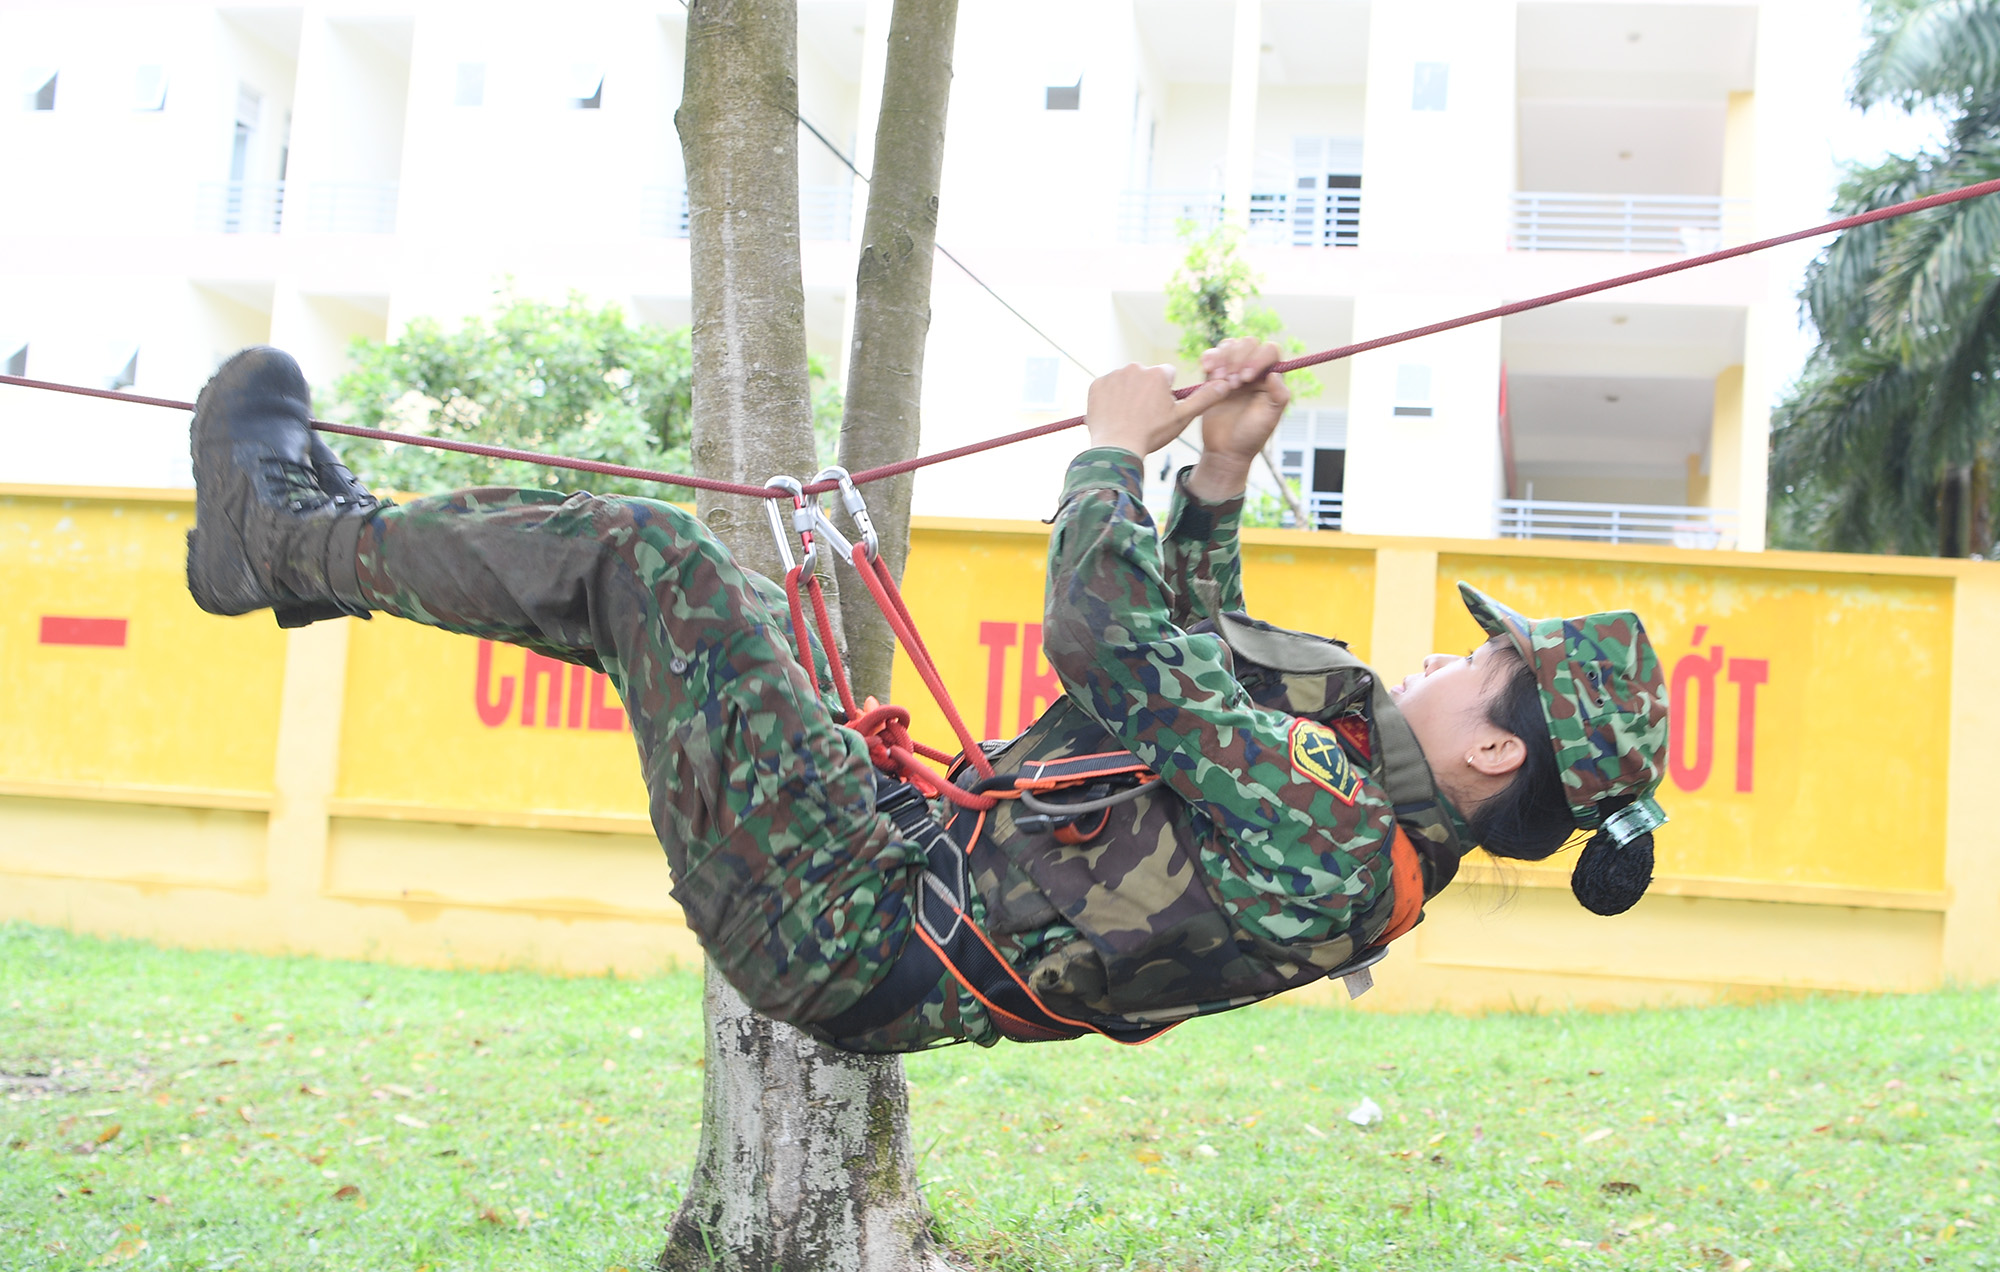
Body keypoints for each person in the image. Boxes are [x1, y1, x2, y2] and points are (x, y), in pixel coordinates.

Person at [184, 339, 1670, 1054]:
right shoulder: (1354, 796)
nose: (1439, 657)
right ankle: (313, 544)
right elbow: (1203, 654)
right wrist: (1218, 470)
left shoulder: (1338, 839)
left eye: (1482, 662)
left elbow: (1110, 647)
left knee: (651, 559)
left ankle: (287, 540)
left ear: (1490, 743)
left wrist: (1111, 451)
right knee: (666, 616)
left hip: (851, 917)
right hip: (891, 848)